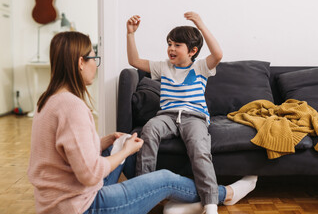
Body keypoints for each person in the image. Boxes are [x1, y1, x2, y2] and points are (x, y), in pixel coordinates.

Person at [27, 31, 253, 214]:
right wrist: (125, 152)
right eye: (94, 58)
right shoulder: (73, 107)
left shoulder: (47, 101)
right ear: (79, 63)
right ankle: (225, 194)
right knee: (163, 177)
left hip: (57, 203)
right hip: (83, 206)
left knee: (122, 139)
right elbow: (89, 174)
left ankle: (181, 198)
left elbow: (66, 155)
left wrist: (103, 142)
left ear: (192, 50)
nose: (96, 64)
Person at [126, 12, 258, 214]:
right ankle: (143, 190)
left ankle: (210, 202)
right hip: (167, 116)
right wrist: (130, 34)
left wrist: (201, 24)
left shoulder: (200, 68)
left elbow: (218, 54)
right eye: (169, 43)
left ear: (192, 51)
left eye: (177, 45)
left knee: (199, 147)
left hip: (194, 117)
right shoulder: (163, 66)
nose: (171, 48)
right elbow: (134, 61)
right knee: (150, 128)